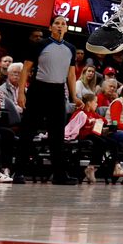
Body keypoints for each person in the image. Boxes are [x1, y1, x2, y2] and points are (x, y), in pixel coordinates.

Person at [13, 15, 79, 185]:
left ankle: (59, 175)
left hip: (58, 92)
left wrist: (74, 96)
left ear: (66, 28)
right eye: (57, 23)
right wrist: (21, 93)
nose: (60, 26)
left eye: (63, 24)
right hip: (38, 89)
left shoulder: (71, 48)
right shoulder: (39, 45)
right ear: (50, 27)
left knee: (57, 135)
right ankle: (18, 172)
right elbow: (26, 69)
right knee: (28, 131)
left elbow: (71, 74)